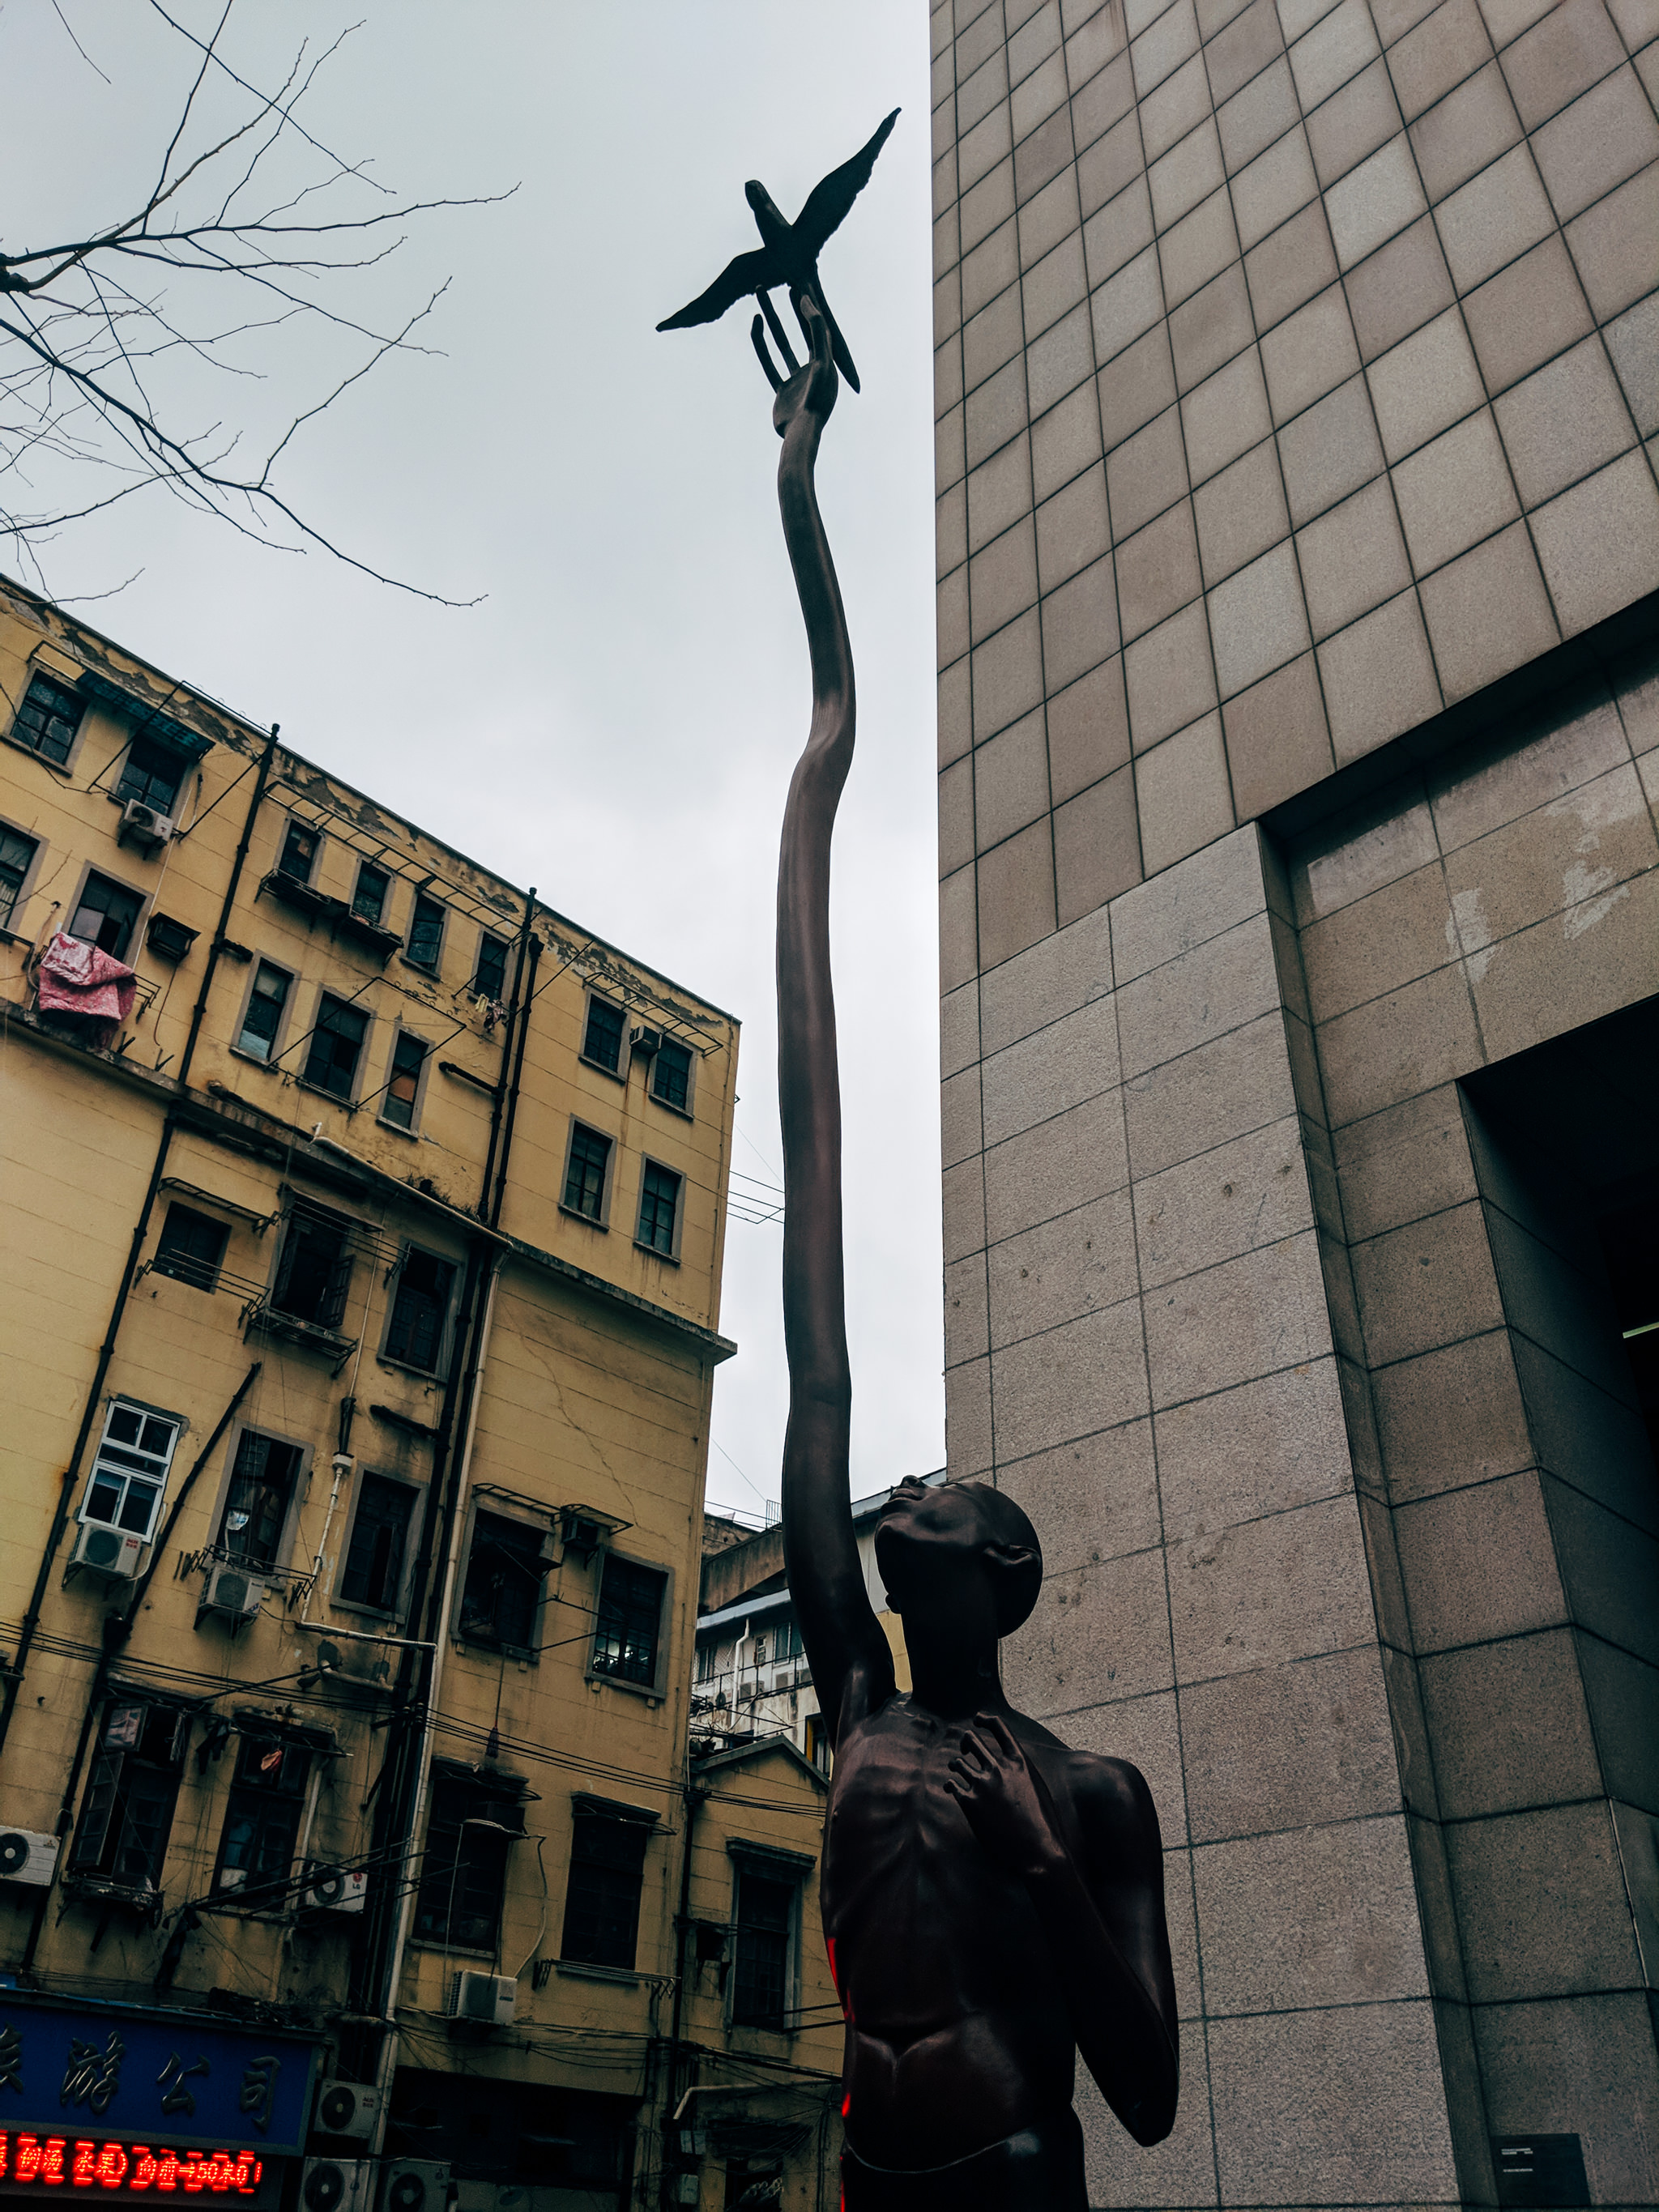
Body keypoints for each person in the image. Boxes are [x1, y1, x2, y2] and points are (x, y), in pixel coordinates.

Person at [761, 297, 1179, 2211]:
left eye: (944, 1491)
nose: (903, 1486)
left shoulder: (1086, 1794)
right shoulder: (855, 1687)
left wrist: (1030, 1863)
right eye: (901, 1488)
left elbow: (1154, 2087)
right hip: (863, 2164)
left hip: (1018, 2165)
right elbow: (819, 1364)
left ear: (1001, 1569)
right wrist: (797, 483)